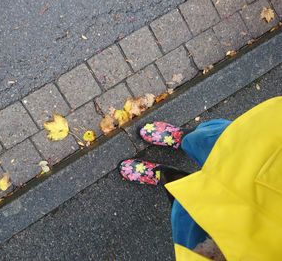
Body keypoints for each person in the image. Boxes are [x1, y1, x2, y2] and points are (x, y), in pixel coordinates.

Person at [118, 97, 282, 260]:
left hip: (253, 244)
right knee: (213, 142)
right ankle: (181, 137)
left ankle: (163, 174)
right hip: (267, 151)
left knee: (188, 207)